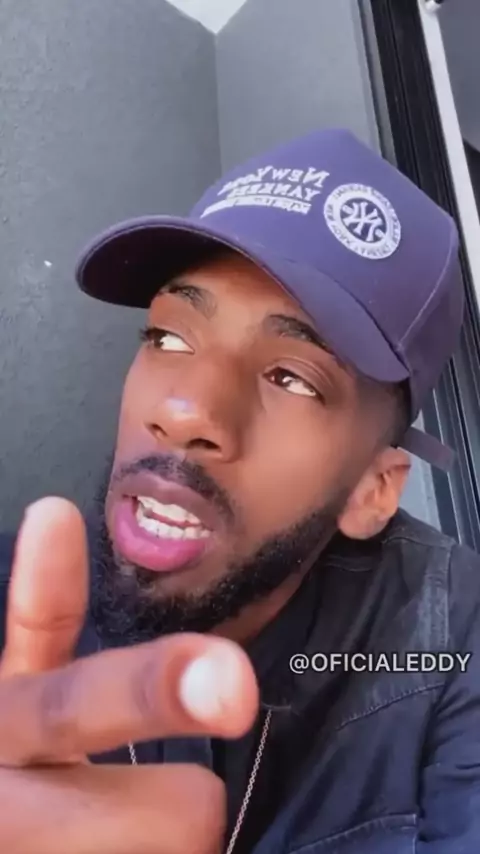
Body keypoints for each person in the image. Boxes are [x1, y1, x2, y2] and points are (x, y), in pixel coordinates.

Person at [0, 127, 479, 854]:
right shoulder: (14, 603)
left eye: (292, 378)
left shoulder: (448, 638)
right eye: (169, 338)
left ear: (373, 491)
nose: (183, 411)